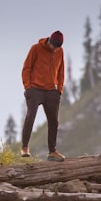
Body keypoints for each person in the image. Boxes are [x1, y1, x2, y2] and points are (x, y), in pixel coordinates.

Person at [21, 30, 65, 162]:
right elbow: (26, 68)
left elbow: (61, 70)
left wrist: (59, 90)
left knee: (54, 122)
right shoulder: (36, 49)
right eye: (52, 45)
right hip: (35, 89)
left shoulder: (60, 51)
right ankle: (24, 148)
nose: (54, 49)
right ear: (49, 41)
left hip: (52, 91)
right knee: (30, 117)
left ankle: (52, 152)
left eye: (57, 47)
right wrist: (27, 87)